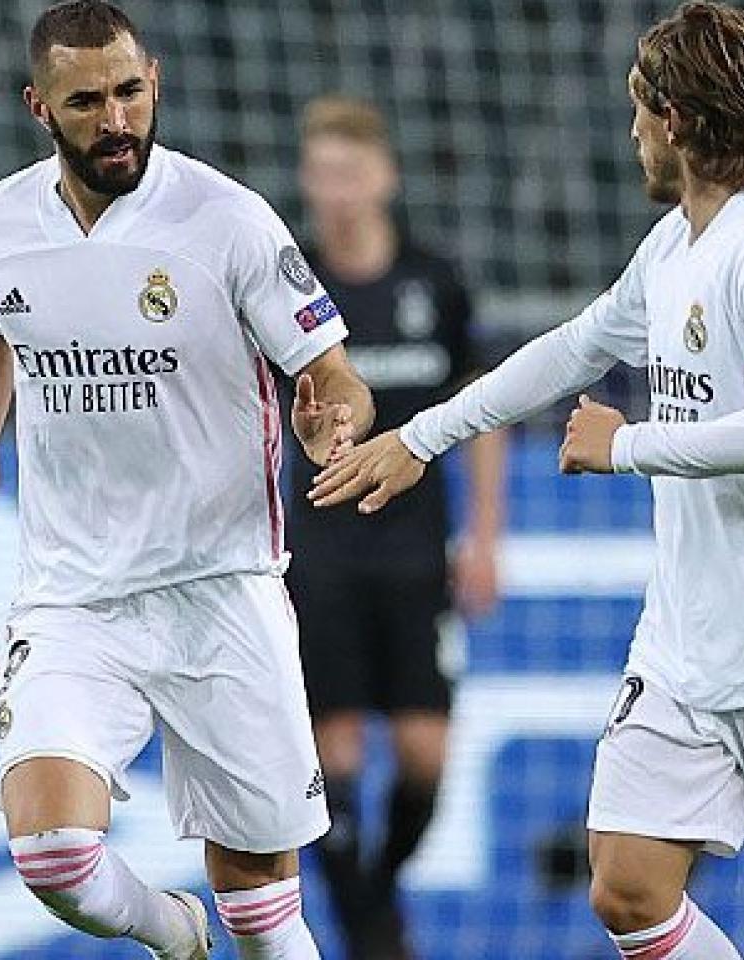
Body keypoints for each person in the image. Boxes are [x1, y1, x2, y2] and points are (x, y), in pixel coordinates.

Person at [311, 4, 744, 958]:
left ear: (679, 119)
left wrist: (631, 446)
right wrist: (421, 438)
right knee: (627, 885)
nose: (632, 133)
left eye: (640, 110)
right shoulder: (674, 246)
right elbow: (572, 347)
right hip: (689, 644)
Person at [0, 3, 373, 958]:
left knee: (261, 909)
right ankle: (171, 934)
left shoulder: (227, 220)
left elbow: (333, 371)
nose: (116, 119)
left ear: (156, 82)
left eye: (130, 91)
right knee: (51, 852)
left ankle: (216, 926)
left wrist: (331, 415)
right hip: (74, 593)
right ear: (39, 107)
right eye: (86, 100)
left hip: (220, 588)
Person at [284, 95, 506, 960]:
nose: (337, 192)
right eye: (322, 174)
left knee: (424, 757)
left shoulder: (434, 282)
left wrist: (486, 538)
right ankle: (376, 941)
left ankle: (374, 897)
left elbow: (483, 413)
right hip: (323, 555)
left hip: (417, 555)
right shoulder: (292, 288)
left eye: (351, 172)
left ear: (385, 177)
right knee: (332, 755)